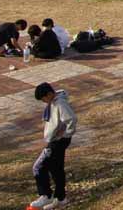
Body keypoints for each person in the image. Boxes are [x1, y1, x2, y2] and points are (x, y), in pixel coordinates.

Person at [30, 82, 76, 210]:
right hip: (57, 139)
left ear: (49, 94)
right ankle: (60, 198)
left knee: (38, 167)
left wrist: (66, 134)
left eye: (44, 99)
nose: (44, 102)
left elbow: (72, 119)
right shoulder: (54, 102)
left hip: (58, 141)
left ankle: (46, 194)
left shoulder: (60, 104)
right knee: (56, 169)